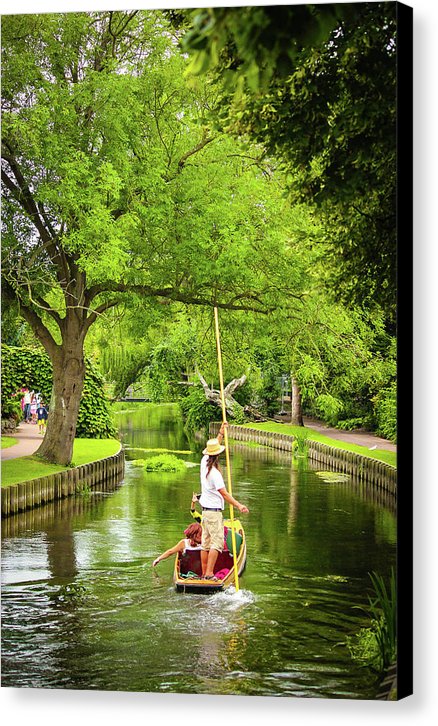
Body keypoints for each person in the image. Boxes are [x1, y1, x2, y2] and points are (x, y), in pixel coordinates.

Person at [199, 423, 249, 580]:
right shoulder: (215, 474)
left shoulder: (203, 463)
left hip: (205, 513)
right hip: (214, 513)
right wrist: (239, 505)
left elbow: (215, 446)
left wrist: (221, 433)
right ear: (218, 455)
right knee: (217, 544)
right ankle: (208, 573)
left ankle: (203, 573)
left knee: (205, 544)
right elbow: (225, 495)